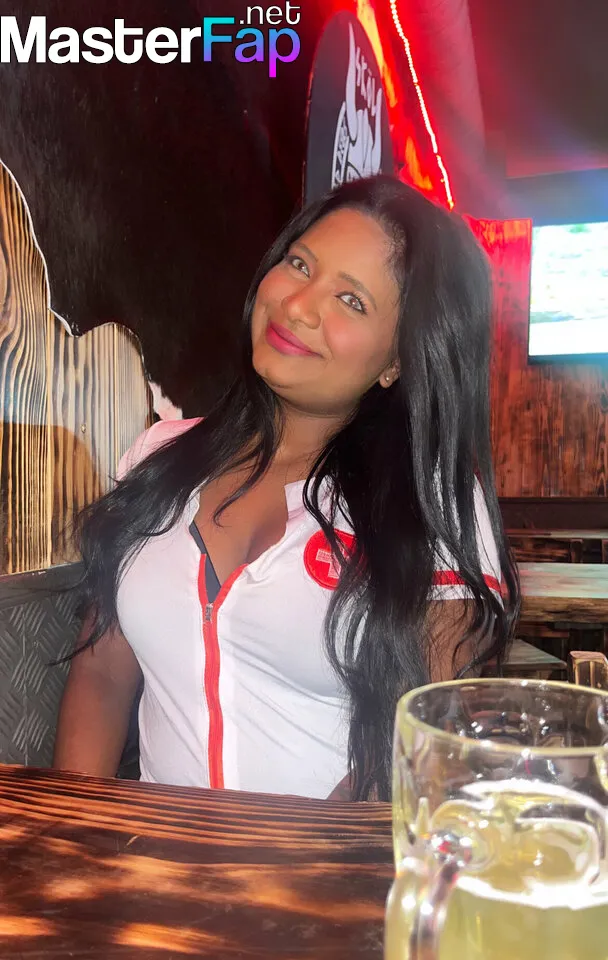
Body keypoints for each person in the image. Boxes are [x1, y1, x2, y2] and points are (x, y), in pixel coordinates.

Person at [53, 175, 519, 802]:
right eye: (300, 264)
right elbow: (102, 673)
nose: (299, 305)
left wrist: (289, 859)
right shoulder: (157, 458)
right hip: (150, 855)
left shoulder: (432, 502)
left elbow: (421, 746)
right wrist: (77, 832)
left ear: (398, 360)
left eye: (351, 300)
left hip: (333, 857)